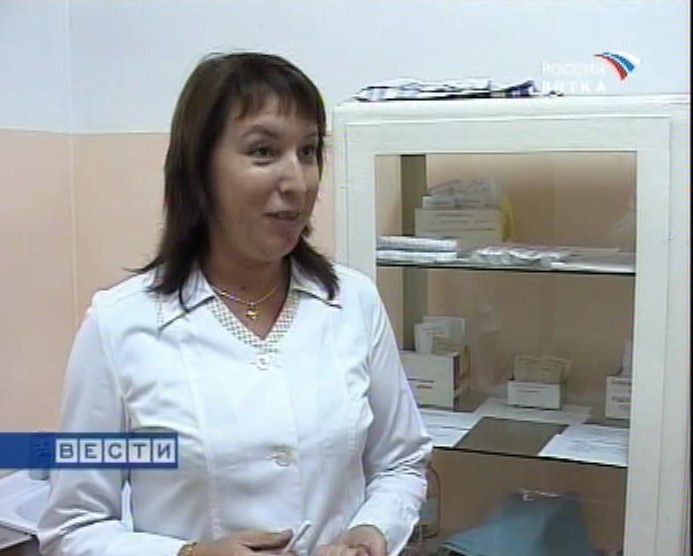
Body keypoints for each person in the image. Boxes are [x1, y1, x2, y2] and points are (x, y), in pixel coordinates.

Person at [37, 52, 431, 556]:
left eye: (308, 151)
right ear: (199, 171)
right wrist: (191, 555)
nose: (298, 182)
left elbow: (401, 462)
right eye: (264, 152)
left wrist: (372, 531)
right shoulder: (118, 326)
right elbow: (73, 528)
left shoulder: (353, 302)